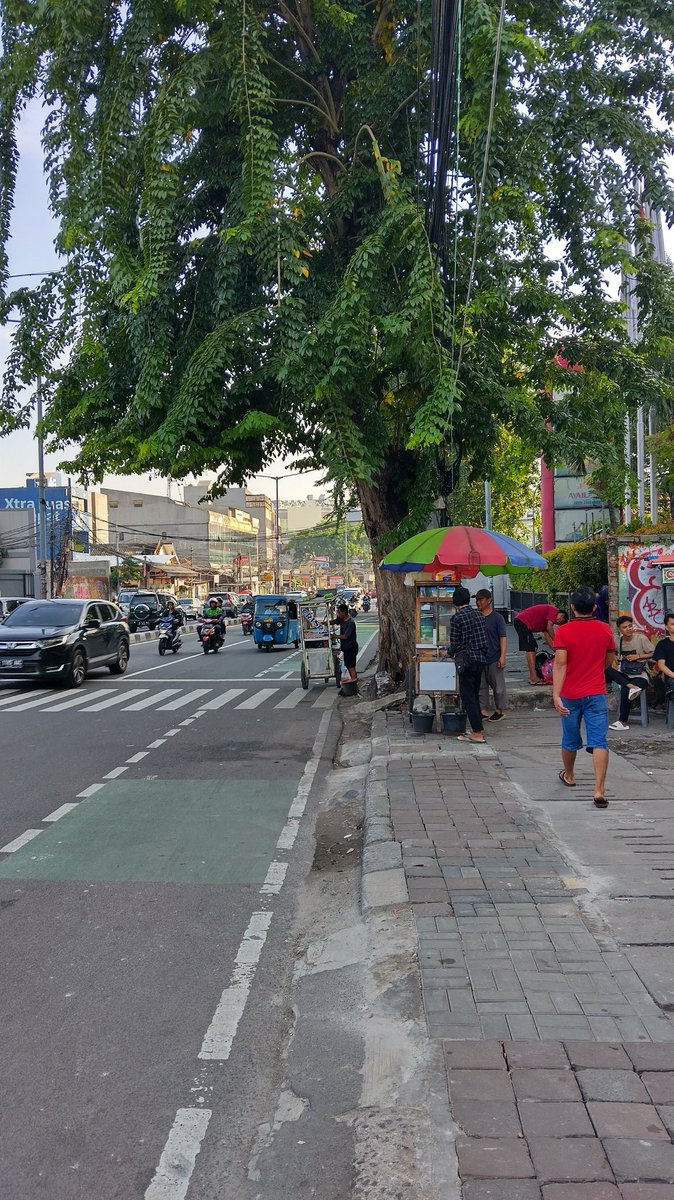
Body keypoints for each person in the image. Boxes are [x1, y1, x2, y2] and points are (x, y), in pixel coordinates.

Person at [552, 585, 616, 809]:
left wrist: (556, 694)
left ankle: (569, 775)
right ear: (595, 607)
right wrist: (597, 670)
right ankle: (599, 790)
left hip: (570, 693)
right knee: (599, 741)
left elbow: (560, 663)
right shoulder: (605, 629)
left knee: (569, 739)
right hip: (596, 692)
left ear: (571, 608)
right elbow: (610, 657)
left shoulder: (563, 631)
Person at [446, 585, 489, 744]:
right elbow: (484, 639)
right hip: (480, 659)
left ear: (455, 601)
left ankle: (477, 733)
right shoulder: (479, 614)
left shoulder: (457, 618)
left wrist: (448, 652)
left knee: (468, 696)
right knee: (475, 694)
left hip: (466, 660)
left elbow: (455, 643)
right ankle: (477, 729)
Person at [607, 615, 653, 731]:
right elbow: (609, 650)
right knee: (607, 669)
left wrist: (638, 656)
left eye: (630, 626)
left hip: (640, 674)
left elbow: (653, 653)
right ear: (619, 629)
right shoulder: (618, 640)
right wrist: (614, 657)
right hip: (625, 674)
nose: (628, 629)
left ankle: (622, 722)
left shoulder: (641, 638)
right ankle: (631, 686)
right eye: (625, 627)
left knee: (625, 689)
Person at [514, 602, 568, 685]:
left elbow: (548, 637)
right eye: (561, 617)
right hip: (522, 621)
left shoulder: (546, 622)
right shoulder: (553, 610)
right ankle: (533, 677)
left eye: (559, 622)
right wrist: (559, 641)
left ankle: (533, 676)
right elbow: (549, 629)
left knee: (532, 647)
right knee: (531, 648)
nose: (558, 621)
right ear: (560, 613)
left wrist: (556, 651)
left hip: (521, 622)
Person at [475, 588, 507, 722]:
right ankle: (483, 710)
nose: (478, 602)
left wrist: (502, 656)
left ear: (488, 601)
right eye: (476, 600)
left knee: (497, 685)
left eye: (481, 599)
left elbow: (503, 637)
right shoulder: (476, 616)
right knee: (481, 686)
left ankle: (500, 710)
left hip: (494, 656)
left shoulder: (497, 618)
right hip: (480, 657)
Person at [332, 602, 358, 684]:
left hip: (351, 647)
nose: (338, 614)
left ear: (344, 612)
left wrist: (335, 636)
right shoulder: (342, 619)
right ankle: (353, 680)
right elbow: (334, 621)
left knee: (351, 666)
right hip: (346, 648)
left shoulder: (350, 623)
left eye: (339, 612)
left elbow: (345, 636)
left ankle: (354, 682)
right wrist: (322, 624)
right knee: (348, 665)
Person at [654, 612, 674, 708]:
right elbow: (661, 665)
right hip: (671, 678)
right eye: (673, 624)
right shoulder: (662, 644)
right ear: (667, 627)